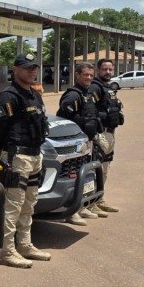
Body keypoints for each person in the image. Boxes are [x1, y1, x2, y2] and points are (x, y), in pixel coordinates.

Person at [0, 52, 51, 268]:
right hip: (17, 157)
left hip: (34, 155)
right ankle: (5, 251)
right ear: (15, 69)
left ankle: (24, 244)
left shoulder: (34, 94)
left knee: (29, 204)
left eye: (34, 67)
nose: (32, 71)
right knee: (13, 206)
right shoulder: (8, 96)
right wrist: (3, 156)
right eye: (27, 67)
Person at [57, 62, 101, 226]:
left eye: (91, 75)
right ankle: (70, 212)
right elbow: (63, 119)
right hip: (76, 145)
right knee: (74, 177)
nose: (89, 78)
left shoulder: (88, 93)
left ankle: (81, 207)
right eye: (85, 75)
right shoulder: (73, 96)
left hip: (87, 142)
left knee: (87, 175)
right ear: (77, 75)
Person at [91, 59, 123, 215]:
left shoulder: (108, 88)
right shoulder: (94, 88)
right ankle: (90, 202)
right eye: (105, 69)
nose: (108, 72)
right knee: (95, 170)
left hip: (110, 133)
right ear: (98, 70)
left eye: (110, 69)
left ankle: (99, 199)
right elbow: (90, 111)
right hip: (100, 134)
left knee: (104, 169)